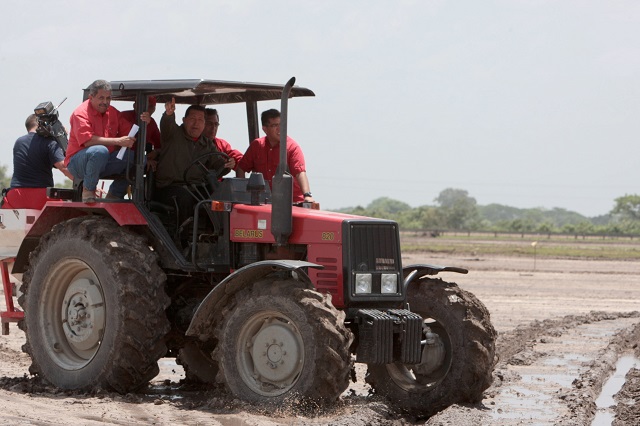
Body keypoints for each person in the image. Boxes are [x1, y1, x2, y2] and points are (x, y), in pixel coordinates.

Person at [65, 79, 149, 203]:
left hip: (104, 160)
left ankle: (115, 194)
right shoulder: (80, 113)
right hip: (79, 163)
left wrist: (145, 121)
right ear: (91, 97)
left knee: (139, 158)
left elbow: (130, 132)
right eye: (101, 98)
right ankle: (88, 190)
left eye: (108, 98)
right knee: (99, 151)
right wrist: (118, 141)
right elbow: (88, 141)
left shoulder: (113, 112)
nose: (105, 102)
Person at [154, 98, 226, 235]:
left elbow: (218, 164)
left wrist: (227, 165)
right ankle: (183, 237)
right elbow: (166, 124)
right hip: (168, 186)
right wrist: (168, 114)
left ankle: (215, 235)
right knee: (185, 197)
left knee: (218, 195)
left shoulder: (207, 144)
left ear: (204, 124)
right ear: (184, 120)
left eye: (200, 120)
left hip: (195, 187)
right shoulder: (173, 134)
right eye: (192, 118)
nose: (196, 123)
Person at [238, 109, 314, 203]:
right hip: (263, 202)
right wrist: (242, 194)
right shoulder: (256, 145)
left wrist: (307, 195)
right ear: (265, 129)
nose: (279, 129)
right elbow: (241, 168)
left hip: (291, 203)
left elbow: (300, 172)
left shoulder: (292, 147)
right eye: (274, 125)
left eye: (281, 124)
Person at [10, 113, 74, 188]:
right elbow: (64, 167)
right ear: (41, 124)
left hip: (15, 192)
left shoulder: (19, 142)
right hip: (39, 193)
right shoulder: (49, 143)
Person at [204, 108, 243, 176]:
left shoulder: (221, 144)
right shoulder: (192, 144)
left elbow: (241, 159)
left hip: (216, 184)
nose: (213, 128)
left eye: (216, 124)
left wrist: (232, 162)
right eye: (209, 124)